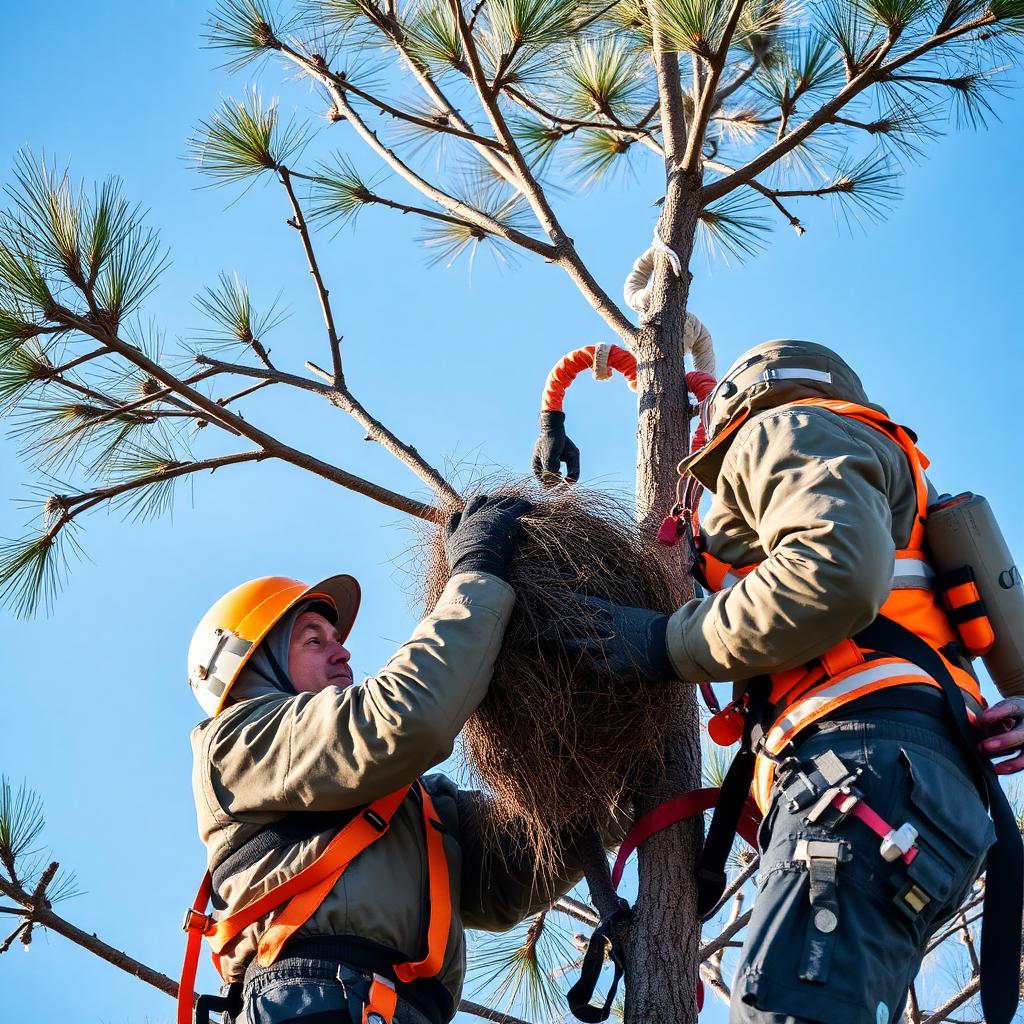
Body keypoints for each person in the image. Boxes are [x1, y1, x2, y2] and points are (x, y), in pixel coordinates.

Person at [561, 341, 1024, 1024]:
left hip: (859, 772)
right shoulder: (862, 465)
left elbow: (830, 577)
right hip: (902, 795)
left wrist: (665, 642)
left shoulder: (782, 429)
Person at [181, 496, 594, 1024]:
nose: (342, 651)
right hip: (309, 1004)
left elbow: (513, 867)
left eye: (336, 638)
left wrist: (611, 772)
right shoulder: (236, 745)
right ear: (253, 666)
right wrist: (477, 574)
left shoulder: (412, 802)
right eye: (313, 639)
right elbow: (405, 717)